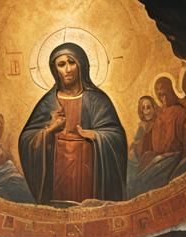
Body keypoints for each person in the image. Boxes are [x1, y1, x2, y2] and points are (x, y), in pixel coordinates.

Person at [19, 43, 127, 204]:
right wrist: (49, 130)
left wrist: (96, 135)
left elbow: (116, 136)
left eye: (72, 62)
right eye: (61, 64)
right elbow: (26, 139)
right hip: (57, 170)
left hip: (87, 170)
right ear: (55, 70)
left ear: (81, 64)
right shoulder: (48, 102)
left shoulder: (97, 100)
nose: (68, 69)